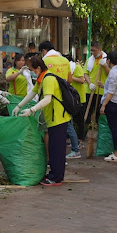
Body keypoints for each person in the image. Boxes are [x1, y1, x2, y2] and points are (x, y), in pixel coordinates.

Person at [13, 55, 70, 186]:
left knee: (57, 149)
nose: (32, 72)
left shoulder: (48, 78)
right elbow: (32, 93)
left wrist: (31, 110)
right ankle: (55, 174)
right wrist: (19, 105)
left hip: (59, 119)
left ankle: (56, 177)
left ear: (38, 68)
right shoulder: (41, 78)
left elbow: (47, 99)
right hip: (53, 118)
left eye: (33, 70)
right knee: (54, 147)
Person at [99, 51, 117, 162]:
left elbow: (110, 92)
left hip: (113, 103)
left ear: (109, 61)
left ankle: (116, 154)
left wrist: (103, 105)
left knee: (114, 128)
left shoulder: (113, 73)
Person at [83, 41, 110, 125]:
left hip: (101, 90)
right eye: (91, 51)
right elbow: (85, 73)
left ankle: (98, 131)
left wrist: (105, 65)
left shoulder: (107, 60)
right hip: (90, 90)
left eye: (94, 50)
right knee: (87, 112)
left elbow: (111, 74)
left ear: (100, 49)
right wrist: (90, 83)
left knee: (99, 113)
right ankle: (85, 131)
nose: (93, 53)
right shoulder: (89, 60)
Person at [67, 56, 87, 158]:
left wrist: (70, 77)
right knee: (72, 120)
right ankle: (74, 141)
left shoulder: (77, 67)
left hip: (79, 98)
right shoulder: (69, 68)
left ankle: (80, 140)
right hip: (72, 99)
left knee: (79, 120)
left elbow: (82, 80)